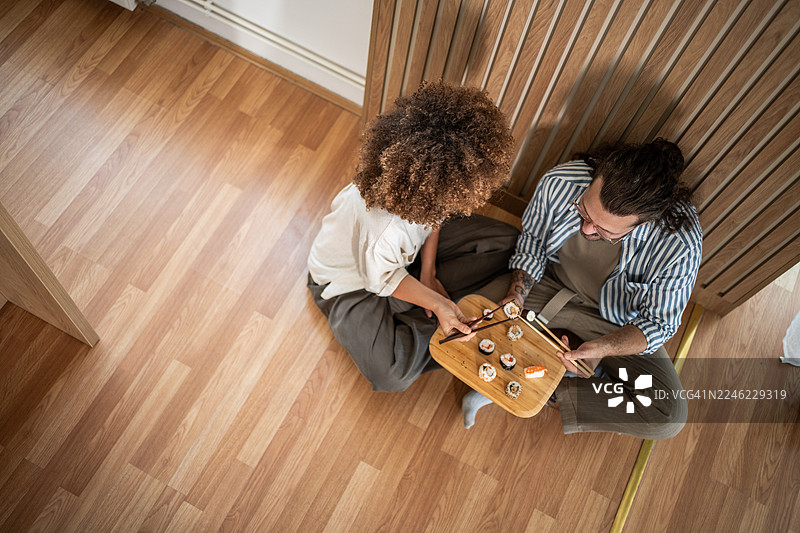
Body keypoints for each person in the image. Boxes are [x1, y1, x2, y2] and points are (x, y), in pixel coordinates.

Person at [463, 138, 702, 439]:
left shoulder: (680, 243)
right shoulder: (561, 181)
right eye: (584, 213)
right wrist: (516, 295)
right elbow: (533, 244)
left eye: (604, 231)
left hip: (614, 322)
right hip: (548, 284)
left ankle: (532, 383)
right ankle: (506, 373)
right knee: (462, 315)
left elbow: (658, 324)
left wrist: (603, 349)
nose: (587, 229)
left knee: (667, 414)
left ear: (643, 224)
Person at [308, 81, 520, 393]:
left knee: (508, 240)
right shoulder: (382, 229)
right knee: (390, 374)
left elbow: (435, 217)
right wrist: (438, 304)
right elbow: (380, 281)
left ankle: (416, 312)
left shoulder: (426, 190)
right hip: (352, 283)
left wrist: (428, 272)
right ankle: (426, 322)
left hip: (401, 258)